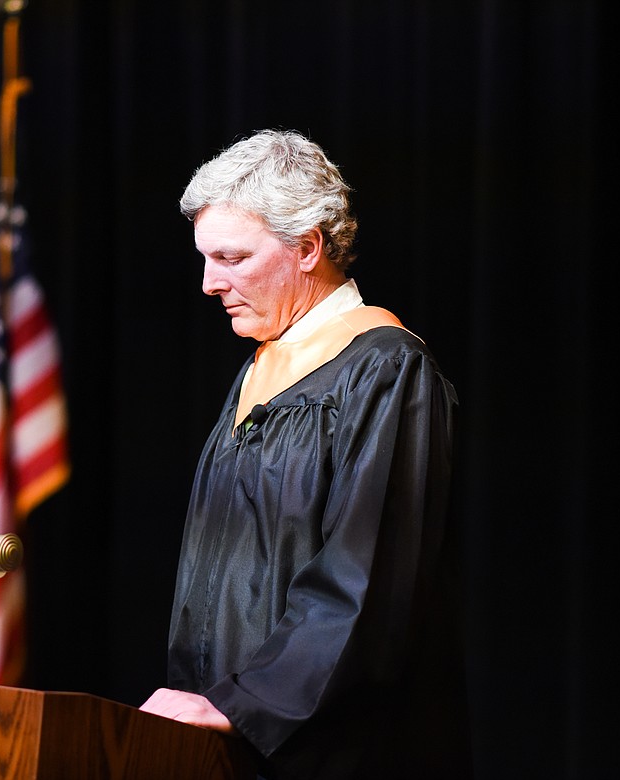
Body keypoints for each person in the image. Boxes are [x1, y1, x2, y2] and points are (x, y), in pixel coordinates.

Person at [140, 130, 471, 779]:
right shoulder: (263, 372)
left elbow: (368, 578)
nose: (210, 283)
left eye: (232, 257)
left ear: (308, 246)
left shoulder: (382, 369)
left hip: (327, 750)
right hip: (229, 739)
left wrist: (248, 702)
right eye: (207, 259)